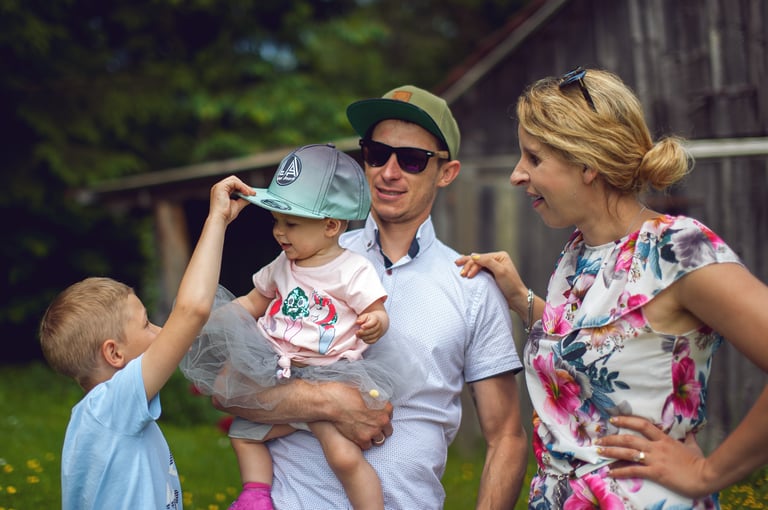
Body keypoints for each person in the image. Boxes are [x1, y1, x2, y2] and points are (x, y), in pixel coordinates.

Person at [456, 67, 768, 508]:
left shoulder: (676, 250)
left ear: (588, 164)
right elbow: (602, 346)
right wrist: (521, 300)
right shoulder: (579, 251)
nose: (517, 175)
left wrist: (708, 473)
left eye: (534, 158)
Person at [214, 85, 529, 509]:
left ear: (447, 172)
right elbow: (226, 387)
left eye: (412, 160)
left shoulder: (472, 286)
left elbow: (506, 436)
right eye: (377, 154)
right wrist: (328, 401)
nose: (389, 172)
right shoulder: (305, 253)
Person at [181, 143, 405, 510]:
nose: (279, 232)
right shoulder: (282, 264)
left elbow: (376, 309)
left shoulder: (352, 270)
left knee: (343, 456)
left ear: (331, 226)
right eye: (276, 221)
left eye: (291, 224)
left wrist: (375, 323)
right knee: (243, 433)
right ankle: (256, 495)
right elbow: (252, 302)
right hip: (275, 367)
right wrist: (212, 320)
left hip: (329, 371)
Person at [37, 175, 253, 510]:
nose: (160, 331)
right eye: (146, 324)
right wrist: (217, 219)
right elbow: (192, 311)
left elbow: (198, 321)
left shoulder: (98, 416)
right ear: (114, 353)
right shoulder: (114, 406)